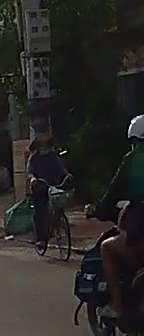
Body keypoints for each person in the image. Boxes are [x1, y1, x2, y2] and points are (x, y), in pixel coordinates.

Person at [95, 116, 144, 327]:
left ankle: (117, 305)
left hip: (139, 229)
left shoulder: (131, 160)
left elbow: (112, 194)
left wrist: (98, 210)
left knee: (107, 247)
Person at [26, 136, 69, 245]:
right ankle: (40, 238)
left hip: (53, 185)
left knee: (58, 204)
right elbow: (30, 171)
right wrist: (33, 179)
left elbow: (60, 168)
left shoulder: (53, 155)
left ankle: (58, 226)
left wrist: (66, 175)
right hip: (39, 186)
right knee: (40, 211)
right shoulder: (34, 157)